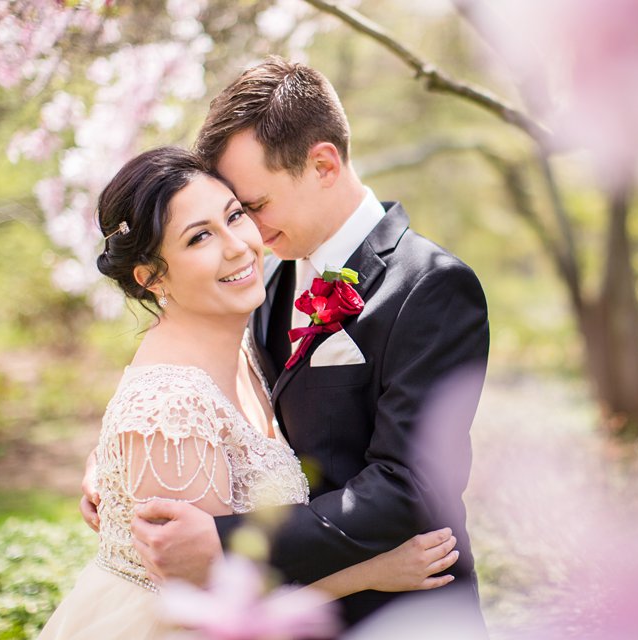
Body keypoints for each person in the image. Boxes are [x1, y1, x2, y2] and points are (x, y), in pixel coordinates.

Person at [81, 57, 490, 630]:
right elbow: (207, 402)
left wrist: (222, 540)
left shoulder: (431, 286)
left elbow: (410, 486)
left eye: (251, 207)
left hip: (403, 608)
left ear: (323, 164)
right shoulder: (264, 284)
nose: (246, 235)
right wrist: (121, 465)